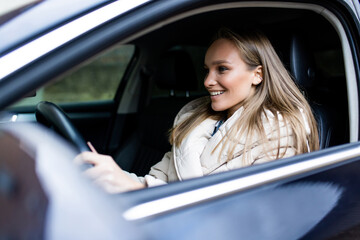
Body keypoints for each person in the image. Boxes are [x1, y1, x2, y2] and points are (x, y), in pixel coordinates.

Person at [75, 28, 319, 193]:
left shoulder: (280, 134)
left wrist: (137, 190)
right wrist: (116, 177)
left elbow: (246, 215)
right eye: (207, 70)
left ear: (257, 75)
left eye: (222, 69)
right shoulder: (195, 120)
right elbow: (159, 182)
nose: (207, 81)